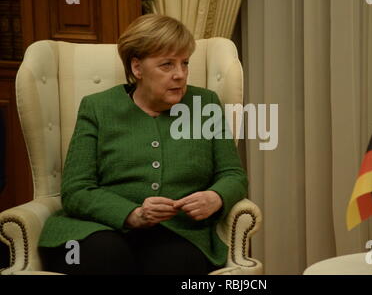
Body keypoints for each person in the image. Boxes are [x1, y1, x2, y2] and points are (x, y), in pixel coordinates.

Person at [38, 14, 248, 275]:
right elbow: (76, 190)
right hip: (100, 228)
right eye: (167, 65)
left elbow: (233, 175)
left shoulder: (204, 104)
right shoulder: (97, 108)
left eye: (185, 63)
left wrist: (215, 197)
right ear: (137, 68)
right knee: (104, 256)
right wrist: (132, 214)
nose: (180, 75)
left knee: (175, 264)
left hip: (177, 231)